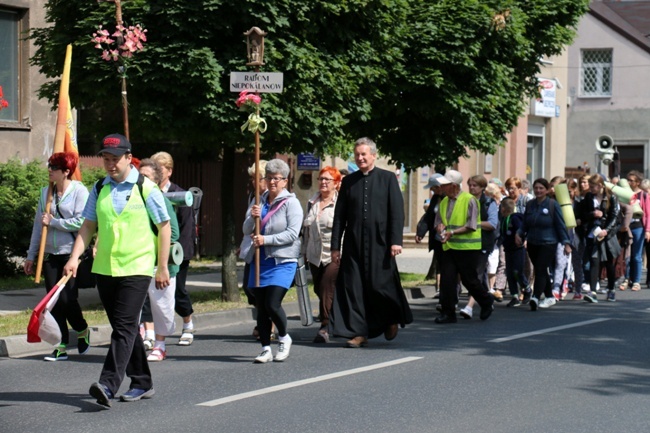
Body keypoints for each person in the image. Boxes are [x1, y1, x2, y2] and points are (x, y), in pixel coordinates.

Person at [64, 133, 171, 408]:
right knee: (125, 328)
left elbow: (164, 227)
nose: (110, 164)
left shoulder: (146, 188)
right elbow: (88, 225)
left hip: (137, 267)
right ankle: (142, 382)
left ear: (128, 157)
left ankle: (108, 384)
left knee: (123, 327)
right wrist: (75, 258)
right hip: (105, 268)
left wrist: (161, 267)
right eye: (106, 159)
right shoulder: (100, 187)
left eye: (115, 159)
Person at [329, 137, 413, 347]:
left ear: (374, 155)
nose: (360, 158)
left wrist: (396, 241)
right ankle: (359, 333)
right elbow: (339, 217)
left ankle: (391, 318)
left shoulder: (387, 179)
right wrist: (334, 247)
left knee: (380, 286)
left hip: (381, 243)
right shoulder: (349, 181)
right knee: (354, 289)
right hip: (353, 243)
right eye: (357, 154)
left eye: (364, 154)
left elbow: (396, 213)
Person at [25, 152, 90, 361]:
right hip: (51, 255)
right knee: (52, 303)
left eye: (54, 167)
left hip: (72, 253)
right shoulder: (46, 192)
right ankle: (60, 344)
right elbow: (39, 225)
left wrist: (54, 222)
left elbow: (83, 222)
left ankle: (81, 329)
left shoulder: (79, 191)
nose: (50, 170)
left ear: (66, 171)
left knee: (67, 299)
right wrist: (31, 255)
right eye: (49, 166)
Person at [243, 159, 303, 363]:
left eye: (276, 179)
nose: (272, 182)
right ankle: (265, 348)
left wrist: (265, 239)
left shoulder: (291, 203)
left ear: (285, 181)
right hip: (260, 260)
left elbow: (292, 234)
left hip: (282, 261)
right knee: (261, 306)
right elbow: (246, 229)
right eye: (268, 178)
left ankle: (284, 337)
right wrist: (253, 217)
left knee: (272, 303)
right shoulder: (259, 200)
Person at [433, 170, 494, 324]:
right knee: (447, 280)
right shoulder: (444, 201)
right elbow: (438, 221)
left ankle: (486, 301)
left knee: (469, 280)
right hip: (449, 246)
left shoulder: (469, 200)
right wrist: (440, 228)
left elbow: (472, 225)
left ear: (453, 186)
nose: (441, 187)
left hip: (467, 248)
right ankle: (448, 313)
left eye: (444, 185)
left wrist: (452, 232)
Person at [151, 152, 197, 345]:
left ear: (169, 171)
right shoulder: (148, 192)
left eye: (159, 169)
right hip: (152, 251)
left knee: (177, 291)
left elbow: (186, 227)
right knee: (152, 294)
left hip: (176, 251)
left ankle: (187, 323)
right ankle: (152, 333)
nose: (156, 173)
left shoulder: (179, 194)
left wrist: (180, 254)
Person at [138, 158, 181, 362]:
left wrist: (162, 265)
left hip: (159, 263)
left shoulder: (160, 199)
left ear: (155, 180)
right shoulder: (134, 198)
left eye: (145, 177)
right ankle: (141, 337)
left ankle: (160, 345)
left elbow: (172, 233)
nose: (140, 180)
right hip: (138, 261)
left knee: (161, 306)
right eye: (139, 176)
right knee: (138, 304)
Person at [515, 178, 571, 311]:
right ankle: (550, 296)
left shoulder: (552, 204)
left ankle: (535, 297)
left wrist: (566, 243)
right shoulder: (530, 204)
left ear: (546, 190)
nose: (538, 191)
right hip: (533, 243)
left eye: (541, 188)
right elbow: (525, 223)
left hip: (549, 242)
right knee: (541, 269)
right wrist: (519, 233)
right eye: (536, 188)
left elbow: (560, 225)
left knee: (540, 268)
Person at [303, 166, 341, 343]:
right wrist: (303, 253)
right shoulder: (312, 202)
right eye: (321, 179)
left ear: (336, 183)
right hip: (314, 255)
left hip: (334, 254)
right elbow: (306, 231)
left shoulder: (341, 203)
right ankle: (336, 318)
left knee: (327, 286)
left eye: (328, 179)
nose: (323, 182)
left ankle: (324, 326)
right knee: (319, 288)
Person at [458, 175, 498, 319]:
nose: (472, 188)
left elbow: (492, 224)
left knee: (476, 275)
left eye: (475, 185)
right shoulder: (464, 200)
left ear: (482, 188)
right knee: (468, 277)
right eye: (470, 185)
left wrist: (474, 223)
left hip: (482, 244)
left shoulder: (488, 202)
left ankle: (469, 306)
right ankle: (486, 300)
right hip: (466, 243)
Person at [576, 175, 621, 302]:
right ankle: (593, 291)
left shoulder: (611, 197)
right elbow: (585, 213)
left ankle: (611, 289)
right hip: (593, 232)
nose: (590, 189)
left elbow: (615, 216)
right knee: (594, 261)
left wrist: (606, 230)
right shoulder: (589, 197)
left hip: (607, 234)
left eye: (592, 186)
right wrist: (593, 214)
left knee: (608, 263)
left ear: (600, 185)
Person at [498, 197, 530, 307]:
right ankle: (514, 296)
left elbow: (521, 230)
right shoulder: (504, 219)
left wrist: (523, 239)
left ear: (504, 208)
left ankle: (526, 288)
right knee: (510, 273)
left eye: (501, 207)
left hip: (517, 249)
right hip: (508, 249)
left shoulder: (514, 218)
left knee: (517, 271)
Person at [623, 170, 650, 291]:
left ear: (637, 182)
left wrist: (648, 230)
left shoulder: (644, 195)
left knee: (637, 255)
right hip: (627, 227)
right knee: (626, 255)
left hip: (639, 227)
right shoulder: (625, 193)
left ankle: (636, 281)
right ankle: (627, 278)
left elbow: (648, 214)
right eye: (627, 180)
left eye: (631, 180)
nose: (628, 182)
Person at [415, 173, 445, 284]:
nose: (432, 191)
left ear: (439, 186)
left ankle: (452, 290)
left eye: (433, 188)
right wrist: (420, 232)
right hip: (438, 237)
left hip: (451, 236)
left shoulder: (450, 197)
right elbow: (429, 216)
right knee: (440, 263)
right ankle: (440, 290)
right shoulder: (436, 198)